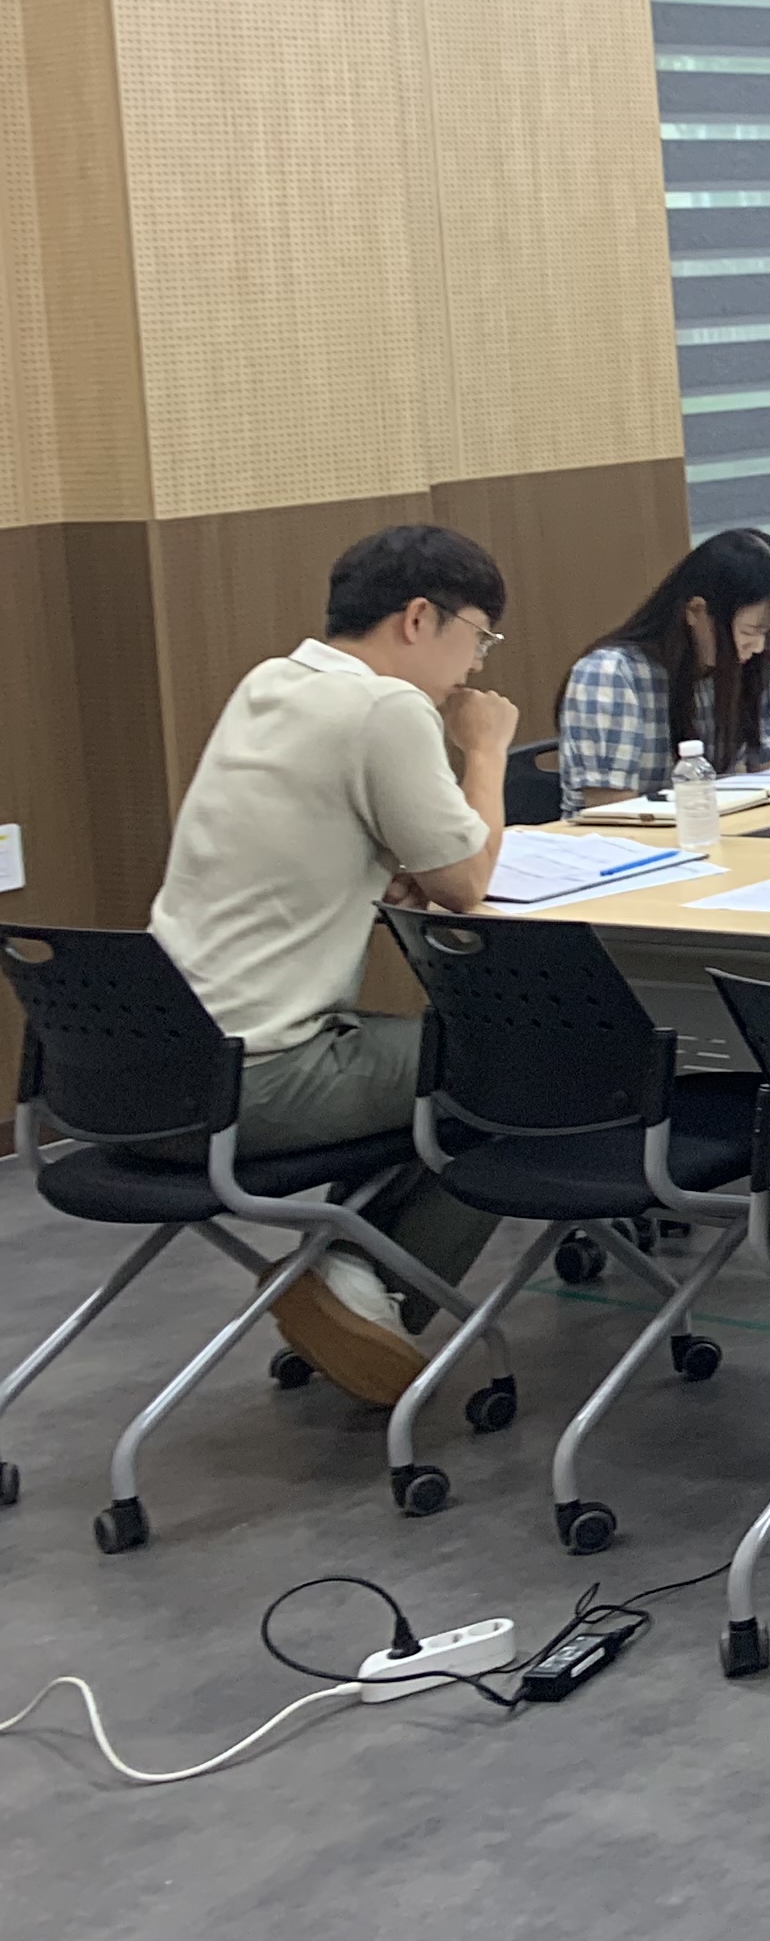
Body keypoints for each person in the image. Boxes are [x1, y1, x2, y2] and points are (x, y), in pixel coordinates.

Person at [141, 526, 517, 1403]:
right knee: (517, 1068)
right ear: (419, 618)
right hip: (258, 1078)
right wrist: (486, 748)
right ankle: (365, 1280)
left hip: (144, 1071)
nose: (475, 665)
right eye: (479, 637)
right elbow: (465, 883)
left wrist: (387, 866)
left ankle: (348, 1274)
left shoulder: (270, 682)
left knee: (430, 1060)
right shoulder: (386, 708)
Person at [559, 527, 770, 806]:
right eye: (749, 632)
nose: (758, 646)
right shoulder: (610, 676)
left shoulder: (759, 663)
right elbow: (610, 812)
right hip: (640, 831)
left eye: (767, 632)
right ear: (696, 611)